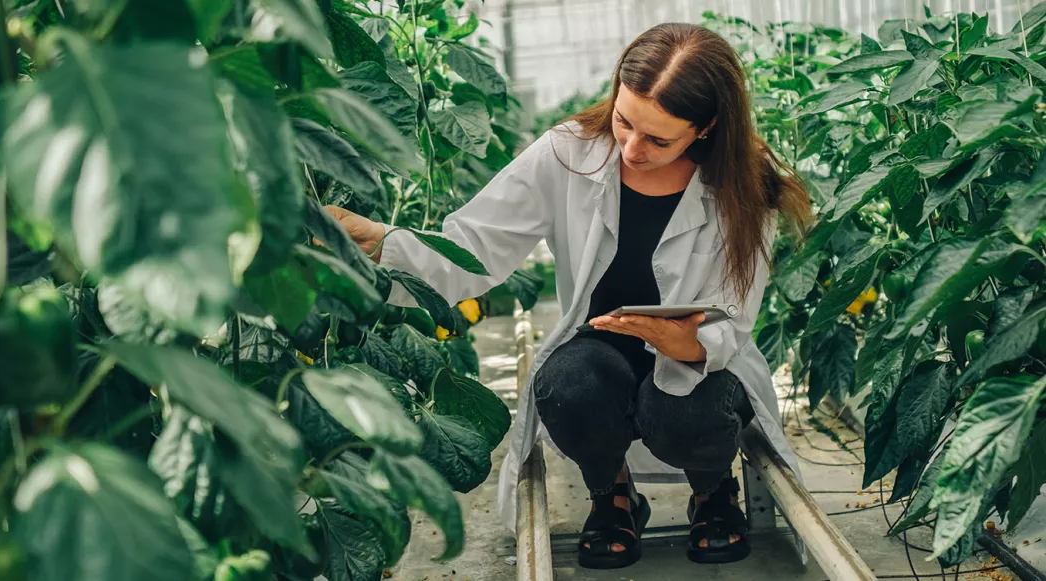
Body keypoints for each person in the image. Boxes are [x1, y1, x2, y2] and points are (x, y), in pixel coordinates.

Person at [327, 22, 813, 570]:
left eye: (658, 139)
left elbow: (733, 318)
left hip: (699, 357)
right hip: (598, 343)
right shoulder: (566, 153)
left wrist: (686, 343)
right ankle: (615, 495)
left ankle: (712, 491)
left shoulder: (746, 187)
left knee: (683, 411)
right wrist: (384, 245)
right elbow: (476, 245)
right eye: (624, 121)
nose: (631, 148)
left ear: (706, 128)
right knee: (569, 389)